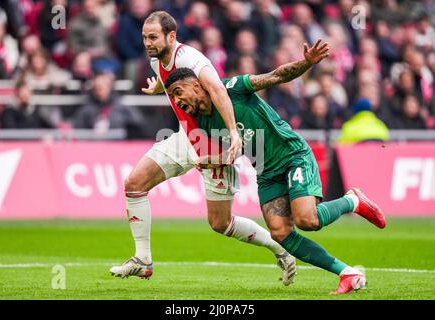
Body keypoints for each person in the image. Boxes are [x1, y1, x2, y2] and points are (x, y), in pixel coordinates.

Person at [163, 39, 387, 294]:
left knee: (307, 220)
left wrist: (306, 63)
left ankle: (352, 201)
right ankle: (348, 273)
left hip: (291, 155)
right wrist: (206, 161)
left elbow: (275, 76)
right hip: (266, 173)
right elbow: (231, 153)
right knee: (280, 232)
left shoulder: (231, 88)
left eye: (179, 92)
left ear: (196, 85)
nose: (177, 100)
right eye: (172, 96)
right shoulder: (202, 123)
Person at [109, 11, 297, 286]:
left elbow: (218, 89)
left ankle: (281, 250)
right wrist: (158, 87)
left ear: (171, 37)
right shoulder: (156, 61)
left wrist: (233, 134)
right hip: (186, 139)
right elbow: (170, 78)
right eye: (144, 37)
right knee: (134, 183)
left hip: (214, 144)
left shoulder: (192, 58)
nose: (147, 43)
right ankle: (143, 260)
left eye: (153, 37)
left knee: (221, 224)